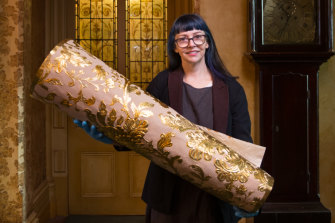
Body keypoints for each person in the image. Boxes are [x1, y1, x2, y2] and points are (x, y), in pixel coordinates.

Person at [74, 14, 258, 223]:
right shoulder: (162, 83)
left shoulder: (232, 90)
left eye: (198, 37)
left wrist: (248, 195)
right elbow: (139, 129)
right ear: (175, 47)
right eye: (183, 39)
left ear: (207, 43)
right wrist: (110, 137)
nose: (191, 44)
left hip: (215, 199)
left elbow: (243, 144)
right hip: (168, 195)